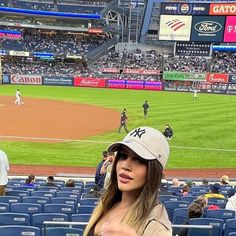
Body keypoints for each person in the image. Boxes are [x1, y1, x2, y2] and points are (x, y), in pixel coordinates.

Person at [84, 126, 172, 236]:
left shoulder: (156, 224)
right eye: (123, 156)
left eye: (139, 159)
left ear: (154, 171)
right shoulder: (106, 203)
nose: (125, 165)